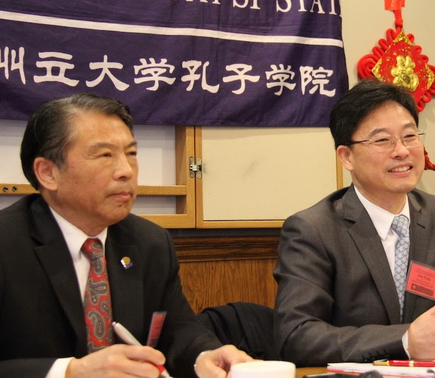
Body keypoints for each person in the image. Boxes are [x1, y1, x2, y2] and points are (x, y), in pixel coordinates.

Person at [0, 93, 253, 377]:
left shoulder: (149, 242)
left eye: (131, 154)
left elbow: (177, 329)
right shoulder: (7, 243)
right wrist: (70, 372)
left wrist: (204, 356)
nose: (125, 171)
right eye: (105, 155)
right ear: (48, 173)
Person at [273, 80, 435, 366]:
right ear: (347, 157)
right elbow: (296, 336)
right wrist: (405, 341)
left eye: (409, 136)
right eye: (382, 140)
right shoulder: (313, 229)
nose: (401, 151)